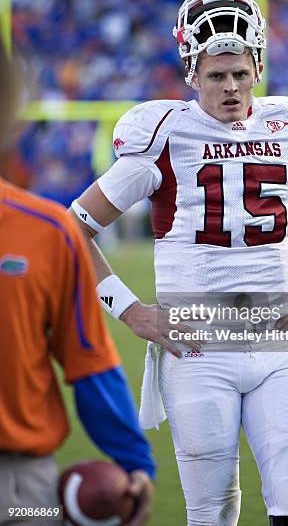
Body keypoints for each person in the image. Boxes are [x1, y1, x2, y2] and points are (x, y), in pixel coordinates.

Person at [71, 0, 288, 526]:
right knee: (212, 513)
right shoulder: (164, 136)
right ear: (192, 73)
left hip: (277, 345)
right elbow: (73, 230)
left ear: (257, 68)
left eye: (239, 73)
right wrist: (133, 312)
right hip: (199, 350)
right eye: (215, 76)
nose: (230, 88)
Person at [0, 44, 155, 525]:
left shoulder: (48, 232)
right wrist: (134, 461)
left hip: (20, 486)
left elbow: (88, 360)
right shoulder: (44, 230)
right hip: (19, 486)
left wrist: (134, 459)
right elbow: (89, 361)